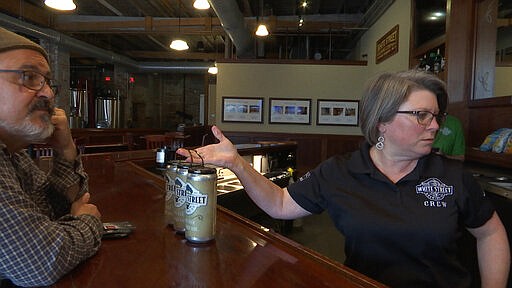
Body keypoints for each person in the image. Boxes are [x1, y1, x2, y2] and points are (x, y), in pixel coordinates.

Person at [177, 70, 510, 288]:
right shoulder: (340, 172)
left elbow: (491, 231)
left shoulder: (451, 176)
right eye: (422, 116)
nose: (436, 126)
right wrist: (236, 162)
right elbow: (280, 204)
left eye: (436, 116)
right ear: (381, 121)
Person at [0, 27, 102, 287]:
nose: (48, 93)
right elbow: (40, 262)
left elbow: (54, 212)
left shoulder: (15, 156)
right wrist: (88, 221)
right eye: (29, 77)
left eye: (45, 81)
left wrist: (65, 150)